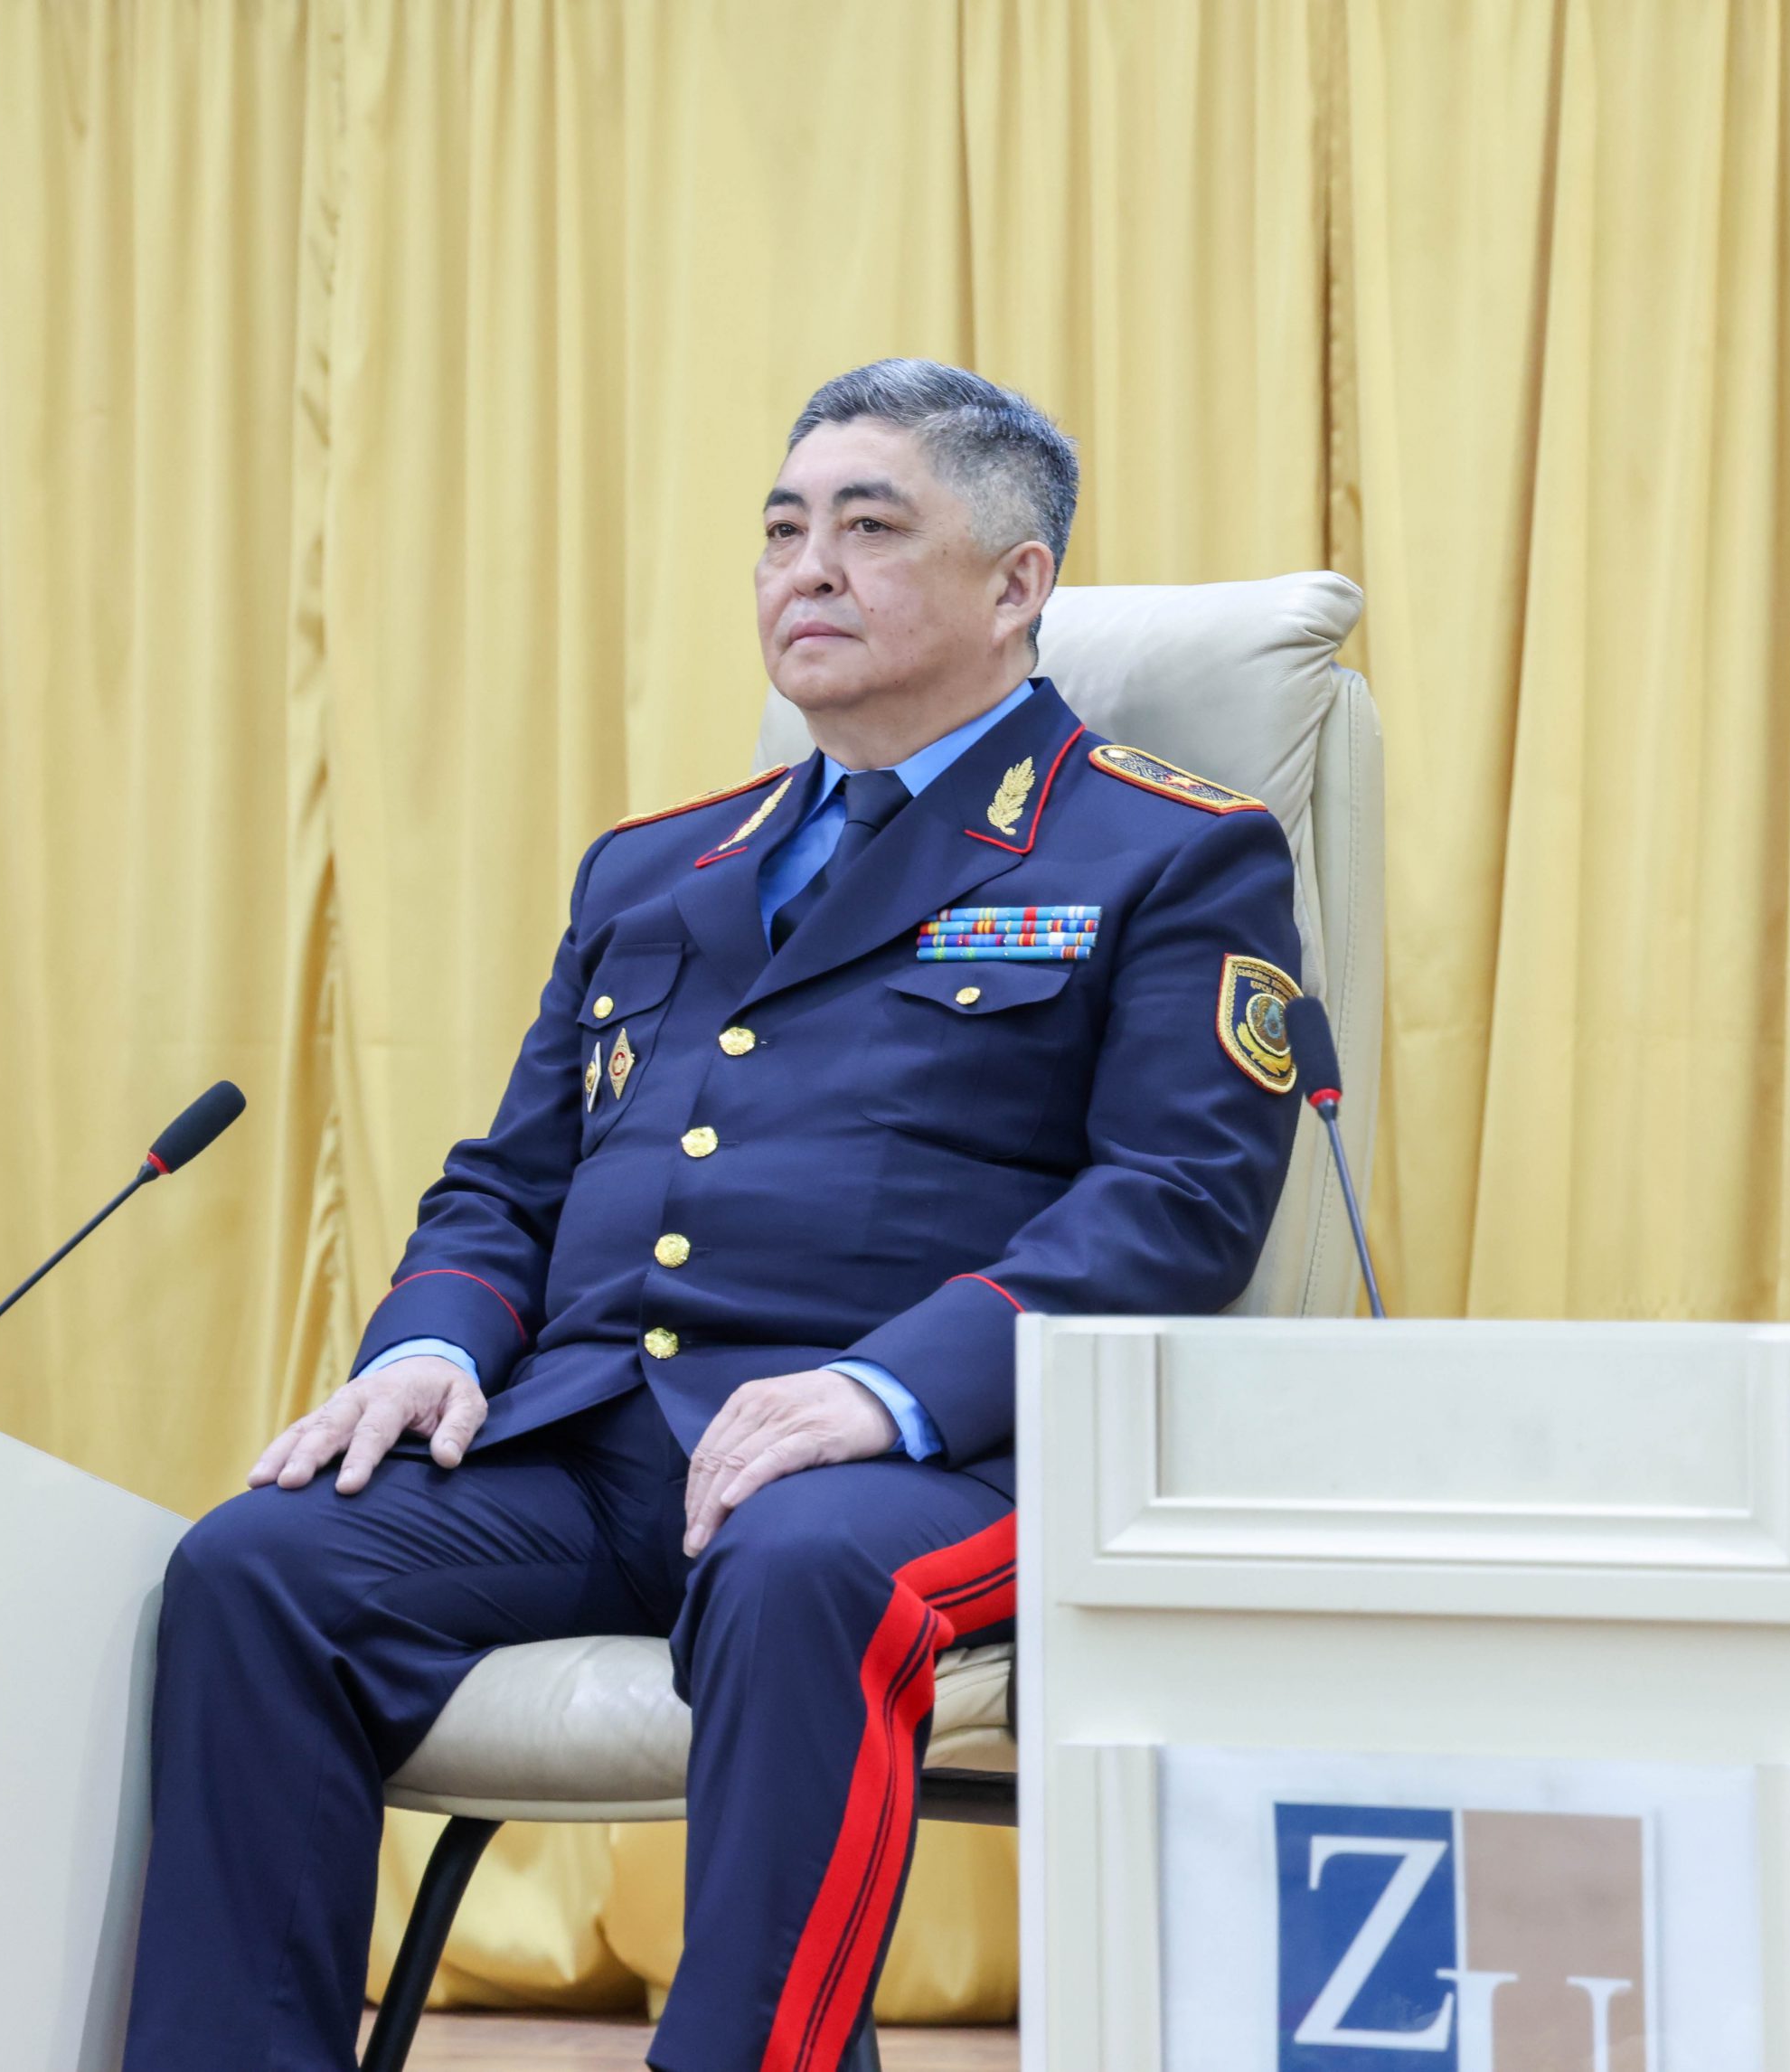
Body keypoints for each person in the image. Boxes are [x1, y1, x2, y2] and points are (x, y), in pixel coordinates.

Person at [124, 359, 1303, 2072]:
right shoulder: (655, 869)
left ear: (1016, 584)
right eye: (779, 530)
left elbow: (1178, 1203)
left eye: (868, 528)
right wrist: (430, 1346)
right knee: (257, 1568)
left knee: (800, 1567)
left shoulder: (1163, 850)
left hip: (944, 1461)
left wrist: (884, 1391)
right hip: (602, 1445)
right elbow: (509, 1181)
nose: (804, 570)